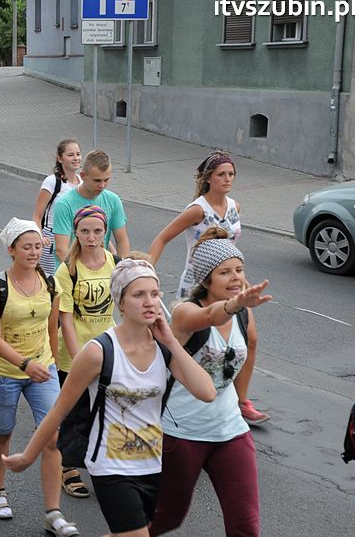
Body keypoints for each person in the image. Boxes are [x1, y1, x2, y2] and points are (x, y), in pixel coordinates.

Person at [3, 258, 216, 537]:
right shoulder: (98, 352)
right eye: (138, 295)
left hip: (152, 463)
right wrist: (28, 456)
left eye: (154, 293)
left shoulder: (164, 350)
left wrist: (172, 342)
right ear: (121, 303)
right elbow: (59, 411)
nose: (149, 301)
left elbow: (207, 392)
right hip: (109, 465)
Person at [148, 228, 272, 537]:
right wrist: (232, 306)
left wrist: (242, 400)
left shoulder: (243, 311)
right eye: (225, 272)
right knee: (165, 520)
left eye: (239, 270)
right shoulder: (184, 313)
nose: (236, 278)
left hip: (231, 431)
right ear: (205, 279)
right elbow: (211, 317)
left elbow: (250, 348)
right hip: (182, 433)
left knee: (245, 527)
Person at [146, 150, 268, 426]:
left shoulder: (235, 206)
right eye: (221, 174)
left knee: (250, 338)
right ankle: (160, 391)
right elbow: (163, 237)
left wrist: (238, 275)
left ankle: (241, 401)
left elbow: (231, 243)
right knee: (185, 345)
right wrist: (147, 271)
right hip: (198, 285)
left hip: (232, 285)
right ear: (208, 179)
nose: (227, 179)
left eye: (231, 174)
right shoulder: (198, 210)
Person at [0, 217, 79, 536]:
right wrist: (24, 365)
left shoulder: (50, 284)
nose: (34, 252)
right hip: (6, 372)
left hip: (43, 369)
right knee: (3, 433)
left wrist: (49, 364)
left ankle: (53, 513)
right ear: (12, 250)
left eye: (38, 246)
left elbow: (53, 329)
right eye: (27, 247)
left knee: (52, 436)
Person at [53, 205, 117, 499]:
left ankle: (100, 461)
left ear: (105, 233)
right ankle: (69, 467)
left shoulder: (113, 263)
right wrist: (78, 356)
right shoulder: (67, 270)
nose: (92, 237)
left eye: (98, 231)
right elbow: (65, 318)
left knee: (105, 407)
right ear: (76, 233)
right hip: (76, 352)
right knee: (75, 411)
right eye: (85, 231)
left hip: (108, 348)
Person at [53, 150, 129, 265]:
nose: (102, 185)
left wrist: (123, 270)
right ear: (83, 176)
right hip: (72, 274)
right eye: (97, 180)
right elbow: (61, 250)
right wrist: (80, 274)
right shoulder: (64, 204)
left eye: (106, 180)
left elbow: (122, 241)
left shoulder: (113, 200)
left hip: (101, 273)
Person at [32, 139, 82, 275]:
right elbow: (37, 216)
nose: (76, 158)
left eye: (78, 154)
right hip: (51, 238)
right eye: (70, 155)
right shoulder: (52, 182)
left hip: (75, 237)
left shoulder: (82, 183)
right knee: (51, 280)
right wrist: (40, 237)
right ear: (60, 158)